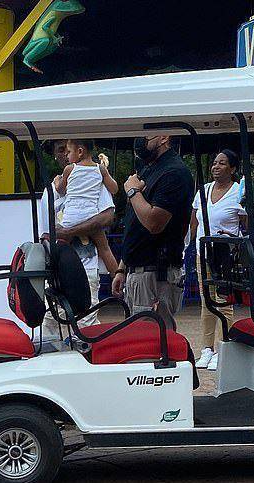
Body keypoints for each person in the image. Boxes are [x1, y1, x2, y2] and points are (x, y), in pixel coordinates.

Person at [112, 136, 195, 326]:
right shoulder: (150, 169)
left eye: (146, 136)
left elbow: (154, 223)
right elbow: (136, 225)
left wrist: (133, 192)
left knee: (154, 337)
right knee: (139, 336)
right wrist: (122, 268)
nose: (140, 141)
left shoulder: (174, 172)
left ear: (164, 137)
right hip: (139, 271)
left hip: (156, 273)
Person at [40, 139, 115, 343]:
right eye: (60, 150)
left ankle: (88, 358)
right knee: (50, 322)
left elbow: (107, 217)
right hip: (55, 269)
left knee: (85, 323)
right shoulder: (50, 189)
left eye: (68, 149)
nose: (65, 154)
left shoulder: (94, 178)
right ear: (55, 155)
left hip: (85, 266)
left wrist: (69, 231)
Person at [189, 149, 247, 370]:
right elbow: (194, 221)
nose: (216, 166)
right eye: (214, 162)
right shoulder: (203, 190)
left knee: (224, 301)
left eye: (222, 163)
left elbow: (246, 224)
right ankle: (206, 348)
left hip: (225, 254)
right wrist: (189, 245)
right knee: (206, 300)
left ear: (232, 168)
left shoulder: (238, 192)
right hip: (203, 251)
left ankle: (225, 347)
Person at [55, 139, 119, 277]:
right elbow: (114, 189)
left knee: (61, 245)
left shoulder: (70, 169)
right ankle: (118, 277)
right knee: (105, 249)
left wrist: (57, 181)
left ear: (80, 152)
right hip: (91, 217)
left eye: (69, 152)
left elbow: (60, 190)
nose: (66, 155)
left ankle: (55, 272)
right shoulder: (100, 169)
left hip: (71, 217)